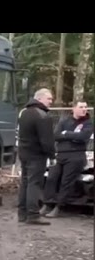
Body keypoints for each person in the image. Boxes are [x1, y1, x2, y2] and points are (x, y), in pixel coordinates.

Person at [40, 100, 93, 217]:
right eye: (81, 107)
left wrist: (67, 134)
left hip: (76, 156)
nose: (84, 109)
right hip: (61, 154)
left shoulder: (88, 123)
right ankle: (47, 203)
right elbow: (56, 135)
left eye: (85, 107)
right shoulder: (65, 121)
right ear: (73, 109)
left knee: (66, 181)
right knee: (51, 178)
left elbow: (83, 137)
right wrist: (72, 135)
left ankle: (59, 206)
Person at [16, 88, 56, 225]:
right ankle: (33, 215)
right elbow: (47, 140)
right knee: (34, 183)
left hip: (23, 152)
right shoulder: (43, 116)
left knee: (25, 182)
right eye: (49, 98)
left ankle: (22, 213)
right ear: (40, 99)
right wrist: (52, 155)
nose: (51, 101)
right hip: (37, 154)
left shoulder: (24, 113)